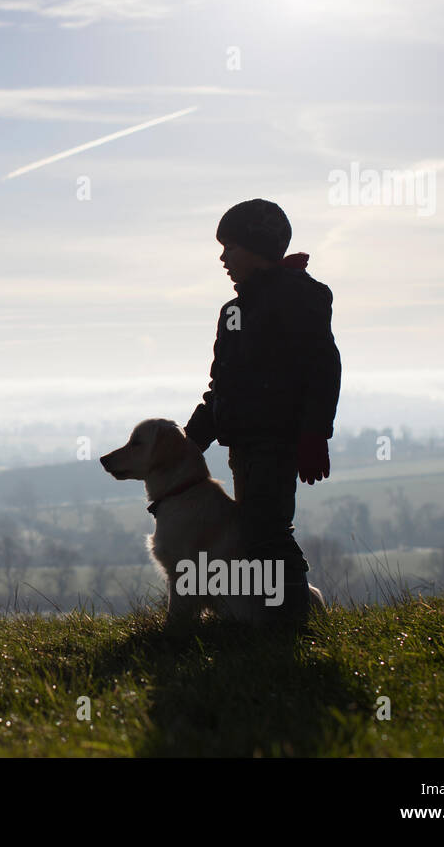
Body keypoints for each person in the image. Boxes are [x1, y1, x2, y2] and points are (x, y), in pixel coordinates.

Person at [183, 198, 341, 627]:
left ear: (256, 248)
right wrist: (190, 440)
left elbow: (322, 368)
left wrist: (313, 434)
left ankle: (292, 621)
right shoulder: (234, 311)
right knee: (255, 531)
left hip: (277, 439)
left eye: (230, 247)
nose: (222, 258)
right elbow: (223, 386)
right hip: (246, 442)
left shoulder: (298, 297)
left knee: (267, 531)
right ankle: (277, 619)